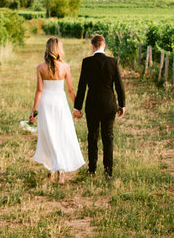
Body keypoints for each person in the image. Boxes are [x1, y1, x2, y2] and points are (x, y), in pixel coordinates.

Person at [29, 37, 85, 183]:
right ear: (59, 49)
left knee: (49, 136)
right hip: (60, 104)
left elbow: (39, 90)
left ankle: (52, 168)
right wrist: (77, 106)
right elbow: (71, 90)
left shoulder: (40, 67)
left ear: (47, 48)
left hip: (46, 104)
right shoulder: (65, 67)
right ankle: (60, 171)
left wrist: (33, 111)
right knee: (60, 134)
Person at [72, 34, 125, 179]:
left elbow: (82, 86)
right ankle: (108, 170)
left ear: (92, 46)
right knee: (108, 136)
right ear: (104, 45)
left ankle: (92, 168)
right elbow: (119, 86)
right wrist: (122, 104)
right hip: (109, 104)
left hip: (92, 104)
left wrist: (77, 107)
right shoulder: (112, 62)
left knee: (92, 136)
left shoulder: (87, 62)